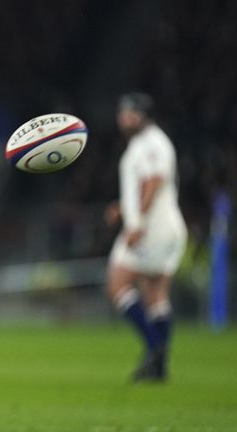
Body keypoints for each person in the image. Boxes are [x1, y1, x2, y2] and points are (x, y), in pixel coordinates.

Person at [104, 92, 187, 382]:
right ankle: (159, 367)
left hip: (153, 227)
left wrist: (136, 222)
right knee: (155, 295)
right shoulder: (147, 142)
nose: (125, 117)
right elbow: (145, 184)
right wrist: (123, 206)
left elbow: (154, 180)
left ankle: (155, 348)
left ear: (144, 115)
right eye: (122, 112)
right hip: (165, 225)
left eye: (131, 112)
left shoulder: (151, 142)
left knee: (118, 285)